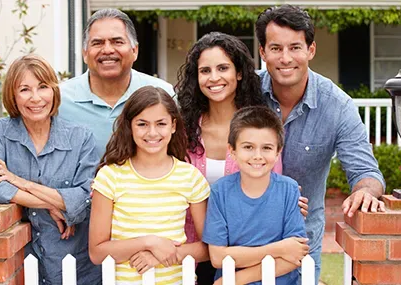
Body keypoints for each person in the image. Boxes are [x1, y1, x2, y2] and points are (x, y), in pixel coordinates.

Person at [255, 5, 386, 282]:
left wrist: (366, 192)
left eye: (295, 47)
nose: (285, 58)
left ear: (311, 50)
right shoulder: (244, 92)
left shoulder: (337, 106)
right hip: (242, 241)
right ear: (262, 52)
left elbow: (366, 172)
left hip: (302, 243)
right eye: (276, 48)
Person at [177, 32, 307, 285]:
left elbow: (272, 186)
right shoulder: (183, 131)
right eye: (205, 71)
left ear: (239, 73)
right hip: (190, 249)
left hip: (245, 254)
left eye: (223, 68)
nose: (214, 78)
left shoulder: (258, 130)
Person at [0, 8, 175, 162]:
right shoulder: (56, 100)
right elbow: (20, 143)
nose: (107, 50)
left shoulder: (163, 95)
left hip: (145, 208)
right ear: (85, 53)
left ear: (135, 50)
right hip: (73, 212)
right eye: (97, 43)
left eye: (117, 41)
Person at [0, 54, 101, 285]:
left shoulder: (81, 138)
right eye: (24, 89)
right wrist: (52, 203)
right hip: (20, 268)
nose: (35, 98)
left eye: (43, 87)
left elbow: (83, 201)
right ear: (12, 94)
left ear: (54, 91)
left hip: (77, 268)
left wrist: (19, 181)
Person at [89, 86, 210, 285]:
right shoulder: (110, 176)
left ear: (173, 125)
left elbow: (208, 248)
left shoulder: (190, 177)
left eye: (160, 124)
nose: (152, 133)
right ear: (130, 126)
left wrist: (163, 255)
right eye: (142, 124)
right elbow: (97, 252)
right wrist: (149, 242)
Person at [203, 106, 309, 285]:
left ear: (278, 152)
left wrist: (236, 279)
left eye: (266, 148)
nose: (257, 156)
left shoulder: (288, 190)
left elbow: (295, 255)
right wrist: (279, 249)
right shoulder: (220, 191)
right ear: (232, 151)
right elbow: (218, 257)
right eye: (248, 147)